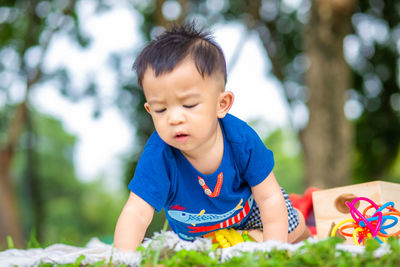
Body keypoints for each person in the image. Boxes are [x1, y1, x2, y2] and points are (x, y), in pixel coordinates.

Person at [113, 22, 311, 251]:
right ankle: (236, 243)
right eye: (161, 110)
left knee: (291, 228)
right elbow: (136, 213)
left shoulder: (241, 141)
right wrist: (123, 259)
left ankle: (299, 232)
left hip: (249, 211)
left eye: (189, 105)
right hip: (196, 232)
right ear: (150, 111)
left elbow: (269, 199)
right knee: (179, 253)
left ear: (221, 104)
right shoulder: (159, 155)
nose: (174, 118)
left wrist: (273, 250)